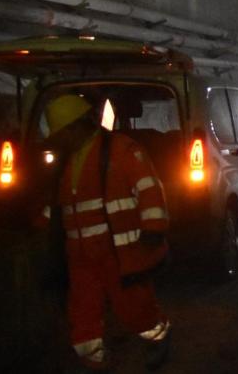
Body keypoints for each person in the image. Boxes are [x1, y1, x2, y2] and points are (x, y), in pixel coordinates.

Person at [34, 94, 171, 371]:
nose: (59, 141)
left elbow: (148, 187)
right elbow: (61, 204)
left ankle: (158, 337)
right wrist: (40, 225)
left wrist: (153, 227)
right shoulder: (67, 161)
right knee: (83, 310)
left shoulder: (121, 149)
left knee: (133, 306)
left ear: (75, 127)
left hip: (118, 250)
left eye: (61, 134)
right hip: (80, 253)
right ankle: (93, 361)